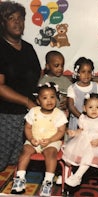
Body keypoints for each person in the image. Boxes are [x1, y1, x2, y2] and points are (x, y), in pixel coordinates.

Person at [0, 1, 41, 171]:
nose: (17, 22)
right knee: (2, 162)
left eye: (21, 18)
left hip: (29, 117)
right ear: (2, 23)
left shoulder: (29, 48)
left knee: (21, 163)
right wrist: (26, 102)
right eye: (11, 18)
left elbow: (35, 80)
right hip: (6, 116)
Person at [11, 82, 68, 196]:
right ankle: (20, 179)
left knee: (51, 154)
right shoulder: (33, 112)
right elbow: (27, 127)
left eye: (52, 97)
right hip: (34, 140)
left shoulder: (59, 114)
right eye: (45, 98)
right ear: (38, 101)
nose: (49, 100)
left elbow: (61, 132)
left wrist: (50, 140)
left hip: (52, 141)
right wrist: (31, 139)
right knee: (25, 151)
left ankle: (47, 181)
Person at [62, 93, 98, 187]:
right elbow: (81, 130)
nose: (94, 110)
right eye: (90, 107)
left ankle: (78, 176)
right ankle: (66, 174)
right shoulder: (83, 118)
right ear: (84, 108)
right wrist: (74, 133)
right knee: (69, 152)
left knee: (88, 154)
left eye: (97, 107)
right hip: (83, 142)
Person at [67, 57, 98, 130]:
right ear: (77, 73)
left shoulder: (96, 86)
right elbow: (71, 106)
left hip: (94, 120)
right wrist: (82, 118)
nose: (86, 75)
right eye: (83, 72)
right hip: (78, 120)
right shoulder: (72, 88)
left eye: (89, 72)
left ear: (92, 73)